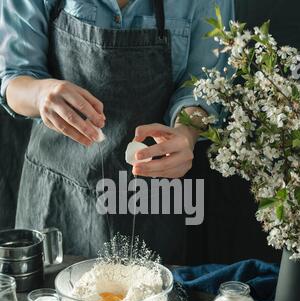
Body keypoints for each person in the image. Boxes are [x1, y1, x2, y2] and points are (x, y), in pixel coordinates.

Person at [0, 0, 234, 264]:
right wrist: (40, 93)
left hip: (151, 199)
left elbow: (205, 87)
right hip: (57, 191)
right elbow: (14, 76)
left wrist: (186, 133)